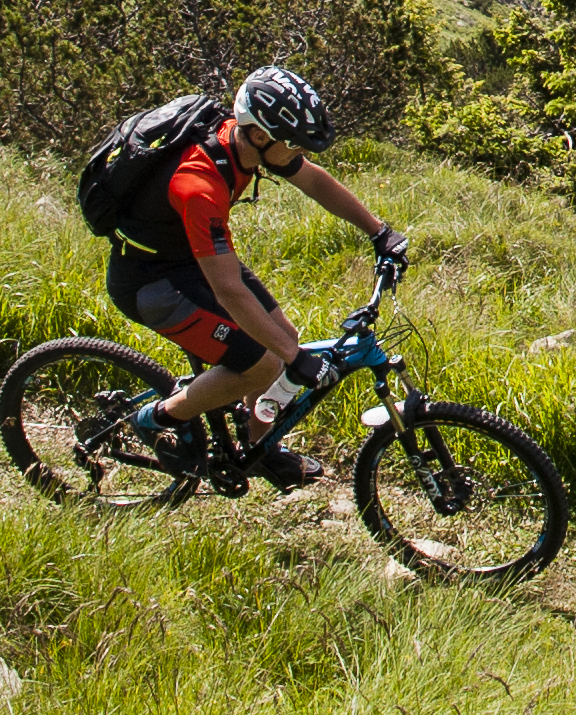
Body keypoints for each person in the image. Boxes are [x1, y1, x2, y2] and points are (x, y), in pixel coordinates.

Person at [106, 64, 405, 490]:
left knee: (282, 334)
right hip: (151, 282)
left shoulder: (246, 143)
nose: (300, 154)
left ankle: (259, 448)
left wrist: (379, 232)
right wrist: (293, 358)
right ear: (261, 136)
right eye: (293, 144)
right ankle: (155, 420)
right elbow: (228, 290)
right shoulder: (200, 185)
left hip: (190, 259)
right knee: (268, 362)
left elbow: (313, 182)